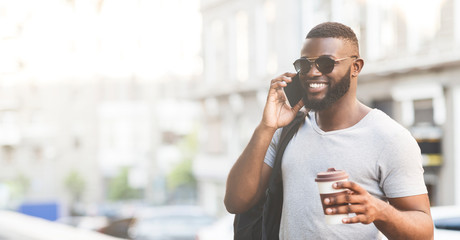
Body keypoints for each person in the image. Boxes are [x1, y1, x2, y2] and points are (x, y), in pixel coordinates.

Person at [224, 22, 433, 239]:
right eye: (304, 65)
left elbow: (425, 233)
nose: (312, 73)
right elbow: (235, 201)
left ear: (356, 67)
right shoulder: (287, 129)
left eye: (326, 63)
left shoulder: (389, 138)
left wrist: (380, 211)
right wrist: (266, 126)